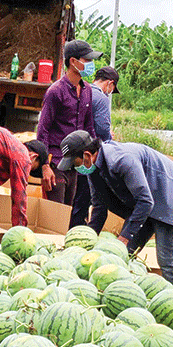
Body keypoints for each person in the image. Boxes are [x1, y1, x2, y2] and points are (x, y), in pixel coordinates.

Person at [57, 130, 173, 286]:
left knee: (167, 260)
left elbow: (145, 201)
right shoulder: (93, 171)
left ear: (87, 155)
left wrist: (124, 237)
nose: (75, 168)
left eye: (75, 163)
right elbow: (99, 207)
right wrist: (88, 241)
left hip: (168, 196)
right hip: (145, 202)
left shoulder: (121, 160)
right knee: (124, 255)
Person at [37, 39, 102, 207]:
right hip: (56, 162)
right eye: (87, 60)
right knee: (55, 214)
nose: (91, 64)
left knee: (68, 212)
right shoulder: (56, 91)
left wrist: (96, 155)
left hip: (75, 164)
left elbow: (89, 128)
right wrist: (45, 166)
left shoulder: (87, 90)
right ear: (73, 62)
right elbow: (43, 130)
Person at [71, 66, 119, 229]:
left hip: (70, 149)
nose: (110, 92)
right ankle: (77, 227)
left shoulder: (82, 90)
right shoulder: (101, 98)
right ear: (110, 84)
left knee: (70, 195)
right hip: (88, 154)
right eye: (112, 89)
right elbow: (102, 128)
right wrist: (109, 137)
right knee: (85, 195)